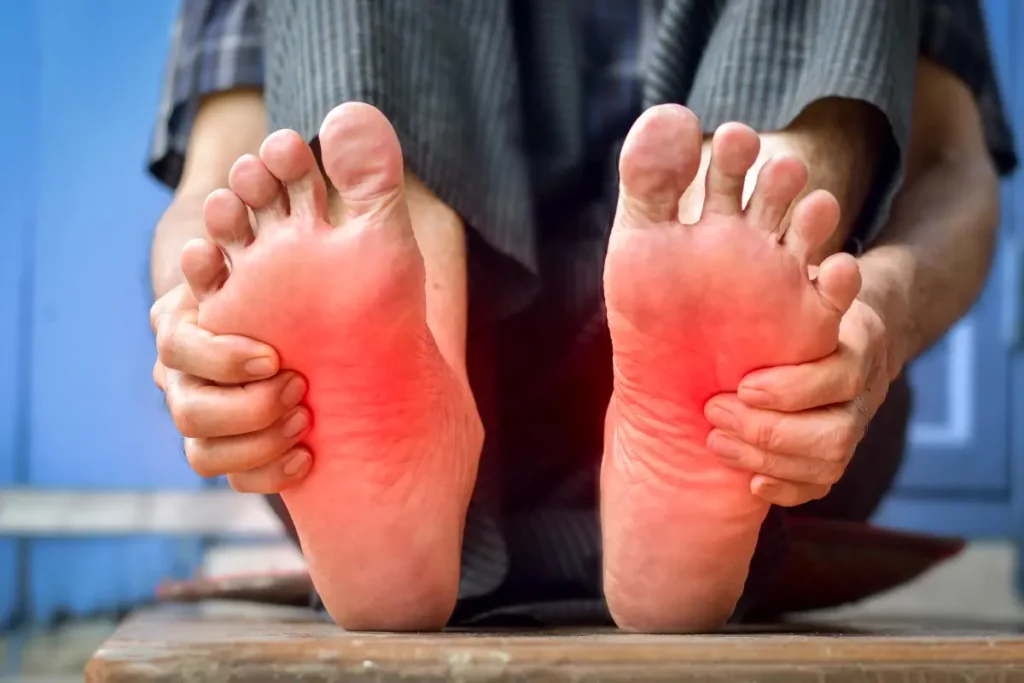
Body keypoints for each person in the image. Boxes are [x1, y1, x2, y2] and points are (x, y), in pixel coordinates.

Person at [147, 0, 1015, 632]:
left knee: (753, 273)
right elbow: (213, 194)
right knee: (333, 212)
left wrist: (879, 314)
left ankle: (746, 255)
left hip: (794, 433)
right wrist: (197, 328)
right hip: (402, 407)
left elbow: (949, 166)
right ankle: (415, 342)